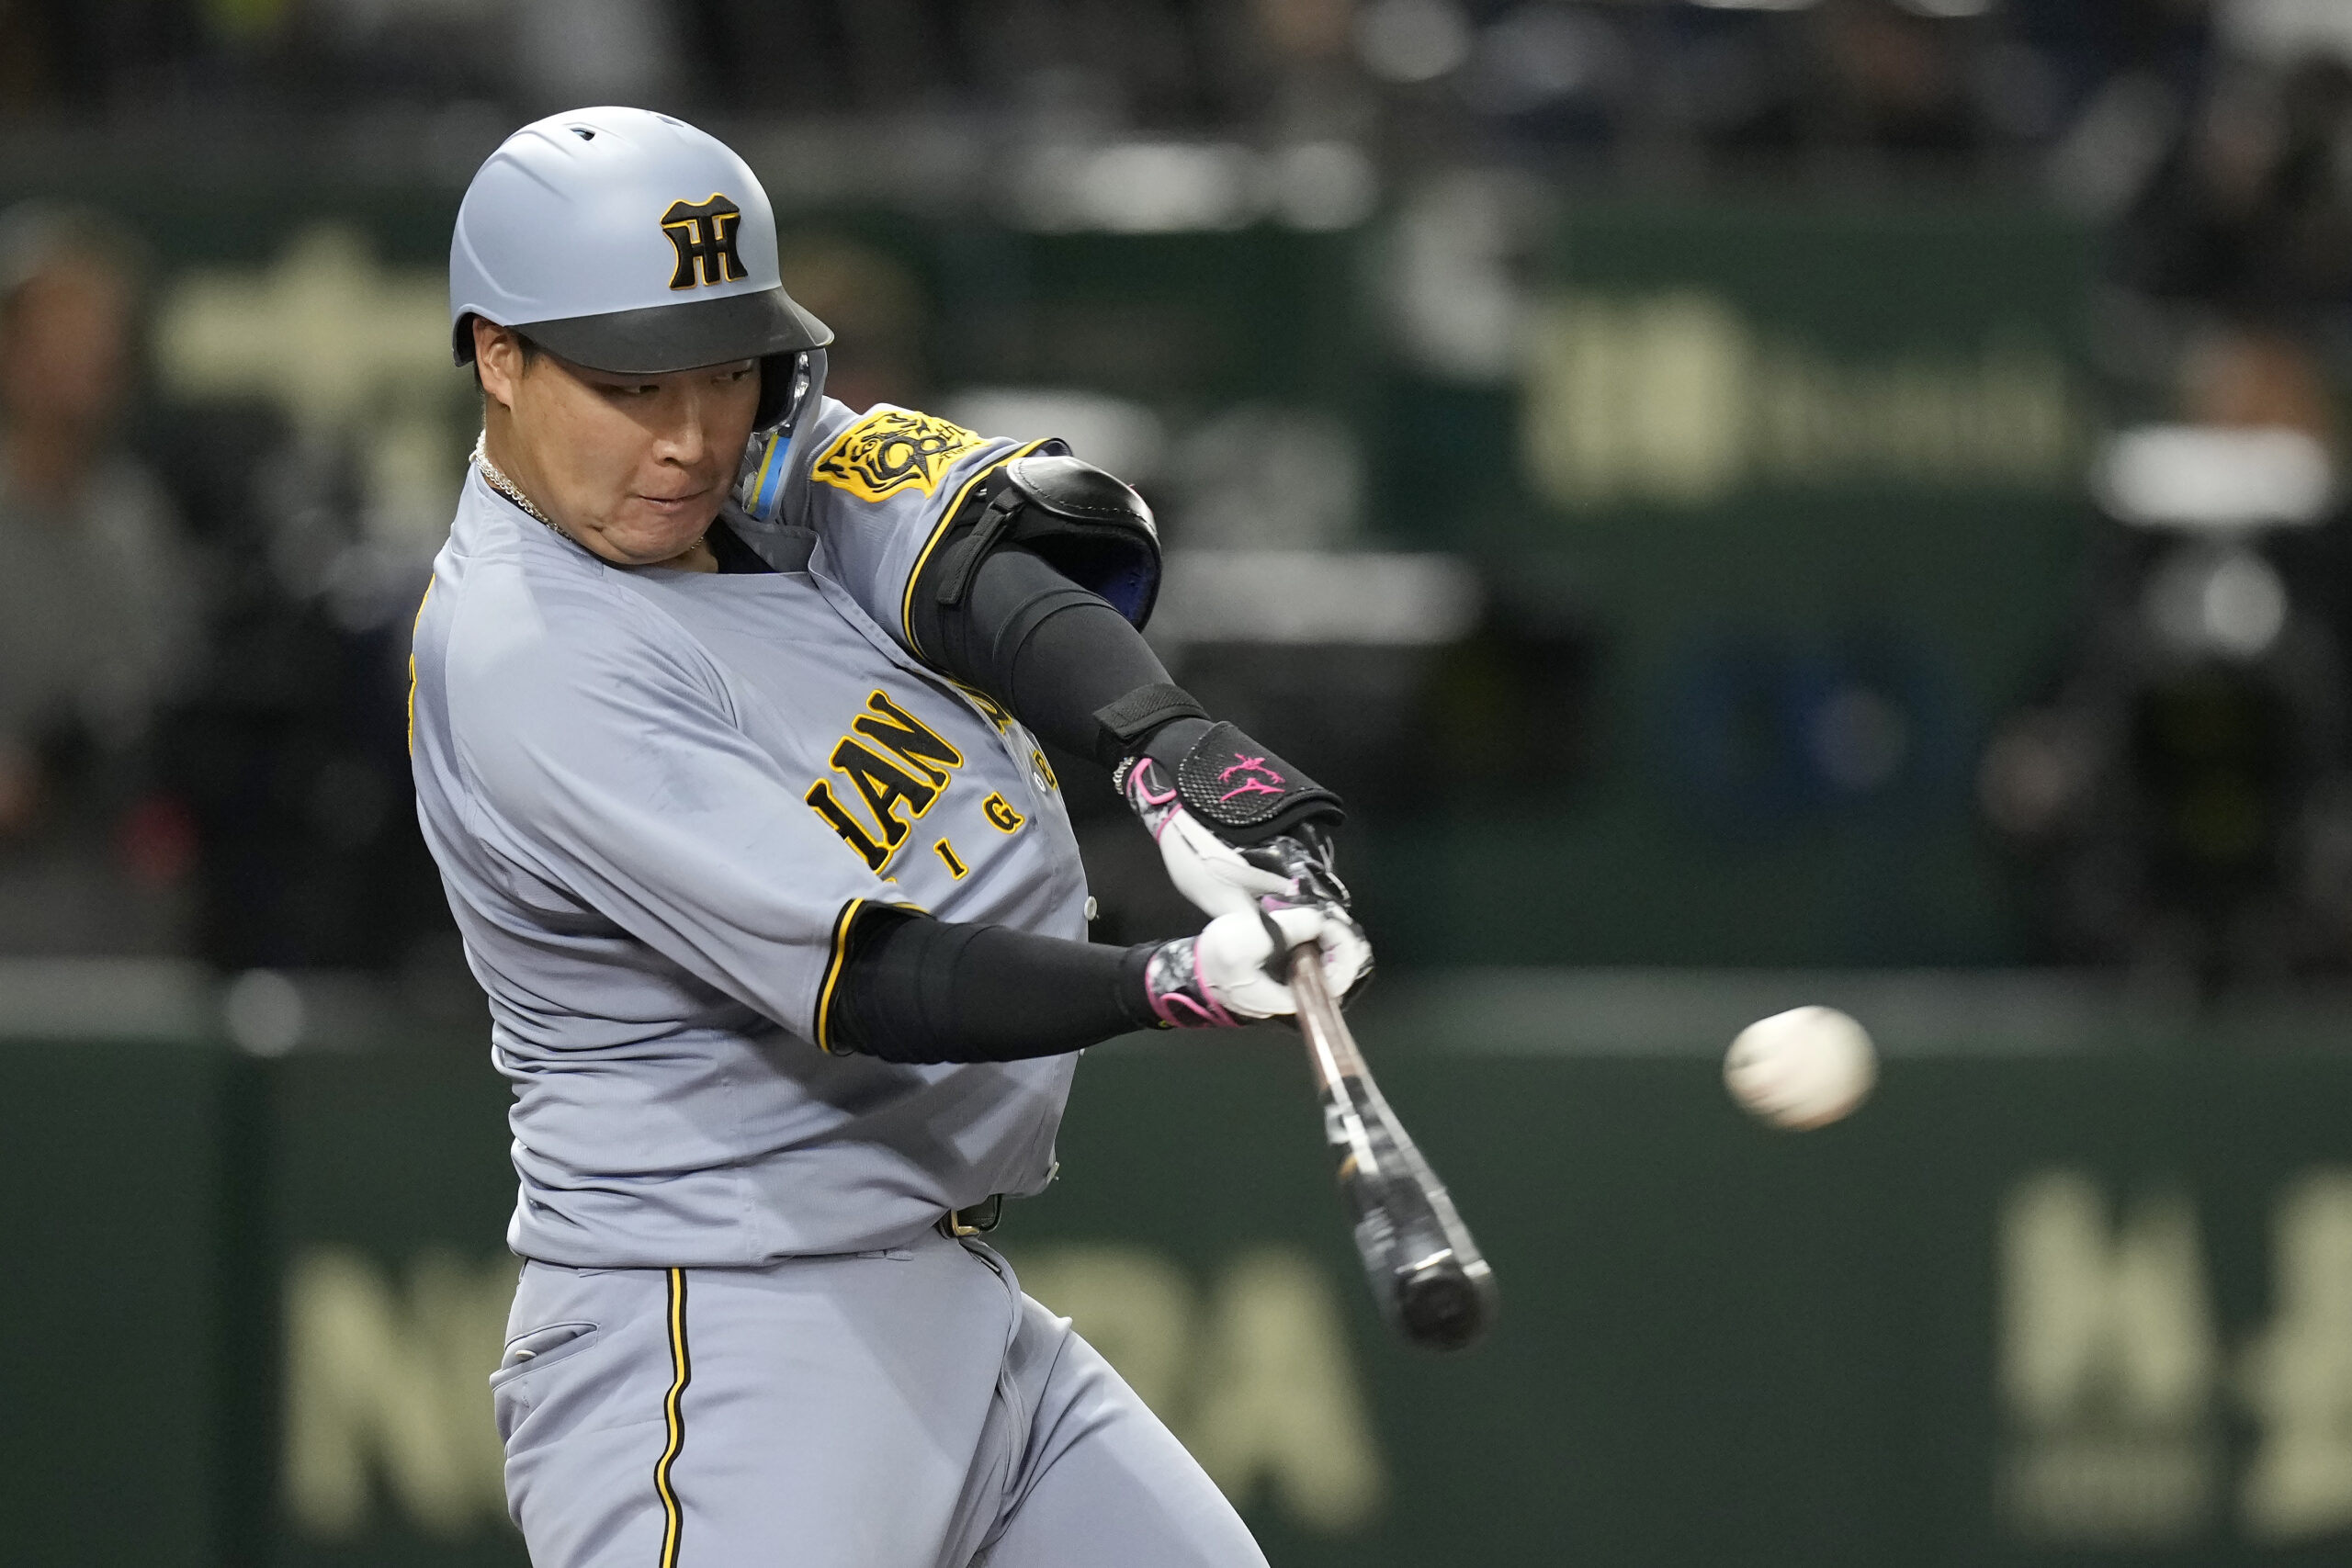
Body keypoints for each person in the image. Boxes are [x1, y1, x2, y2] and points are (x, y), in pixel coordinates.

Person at [408, 107, 1370, 1567]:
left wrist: (1172, 753)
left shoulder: (747, 470)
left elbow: (988, 571)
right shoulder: (526, 648)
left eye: (722, 370)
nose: (685, 435)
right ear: (498, 353)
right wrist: (1164, 977)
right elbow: (875, 980)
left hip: (945, 1307)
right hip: (722, 1343)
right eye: (627, 383)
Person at [0, 204, 196, 954]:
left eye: (102, 332)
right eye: (62, 329)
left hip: (124, 926)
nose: (87, 354)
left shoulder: (140, 527)